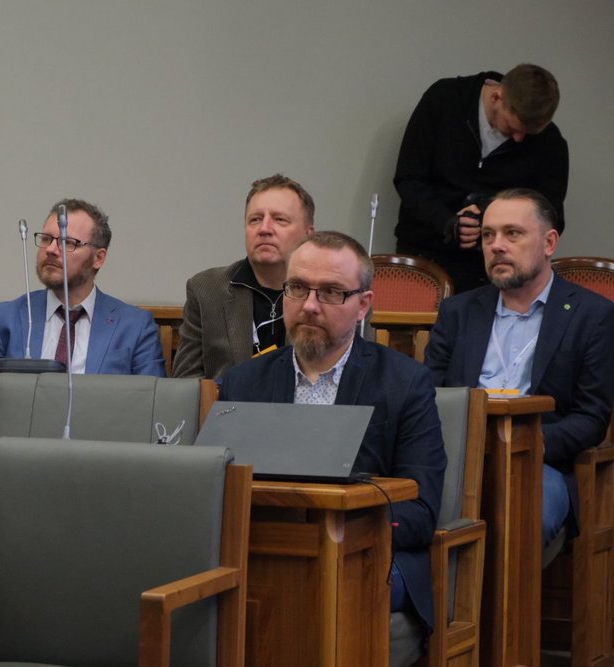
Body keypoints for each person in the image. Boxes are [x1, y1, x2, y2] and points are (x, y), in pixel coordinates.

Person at [219, 231, 446, 635]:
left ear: (363, 305)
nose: (309, 305)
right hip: (264, 549)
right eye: (298, 288)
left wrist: (341, 526)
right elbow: (217, 491)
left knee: (314, 588)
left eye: (331, 293)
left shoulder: (404, 383)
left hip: (366, 553)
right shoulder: (242, 382)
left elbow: (421, 510)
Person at [425, 188, 614, 546]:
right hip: (458, 458)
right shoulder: (459, 312)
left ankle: (509, 604)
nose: (496, 245)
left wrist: (526, 445)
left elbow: (591, 417)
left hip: (539, 463)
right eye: (487, 235)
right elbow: (429, 394)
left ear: (549, 242)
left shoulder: (593, 316)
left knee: (522, 516)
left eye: (513, 233)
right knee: (404, 509)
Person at [393, 64, 568, 294]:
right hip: (423, 258)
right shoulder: (445, 99)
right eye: (512, 128)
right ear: (497, 96)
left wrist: (495, 222)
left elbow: (550, 216)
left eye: (528, 133)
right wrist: (445, 221)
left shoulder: (549, 143)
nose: (518, 138)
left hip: (494, 273)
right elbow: (409, 178)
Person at [0, 198, 165, 379]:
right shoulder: (6, 318)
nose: (50, 250)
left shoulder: (135, 326)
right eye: (46, 239)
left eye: (67, 242)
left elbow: (154, 404)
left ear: (98, 258)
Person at [173, 174, 315, 379]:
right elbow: (186, 382)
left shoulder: (331, 295)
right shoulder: (207, 289)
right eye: (255, 220)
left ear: (308, 234)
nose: (264, 229)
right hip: (226, 408)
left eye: (280, 219)